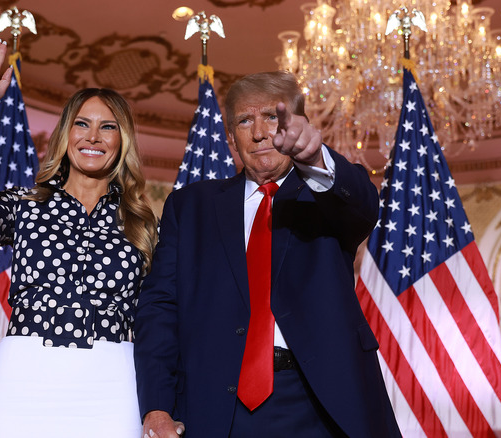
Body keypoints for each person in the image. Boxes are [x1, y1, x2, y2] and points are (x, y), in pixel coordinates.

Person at [134, 71, 401, 437]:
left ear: (298, 125)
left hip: (321, 402)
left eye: (271, 117)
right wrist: (157, 406)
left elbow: (364, 206)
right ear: (230, 136)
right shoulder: (190, 207)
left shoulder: (326, 192)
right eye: (245, 120)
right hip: (217, 405)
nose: (259, 133)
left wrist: (316, 157)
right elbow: (160, 309)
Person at [0, 39, 158, 437]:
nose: (93, 137)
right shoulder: (28, 205)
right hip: (25, 376)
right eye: (82, 123)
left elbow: (160, 319)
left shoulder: (142, 223)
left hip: (113, 380)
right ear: (65, 133)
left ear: (122, 139)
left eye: (108, 126)